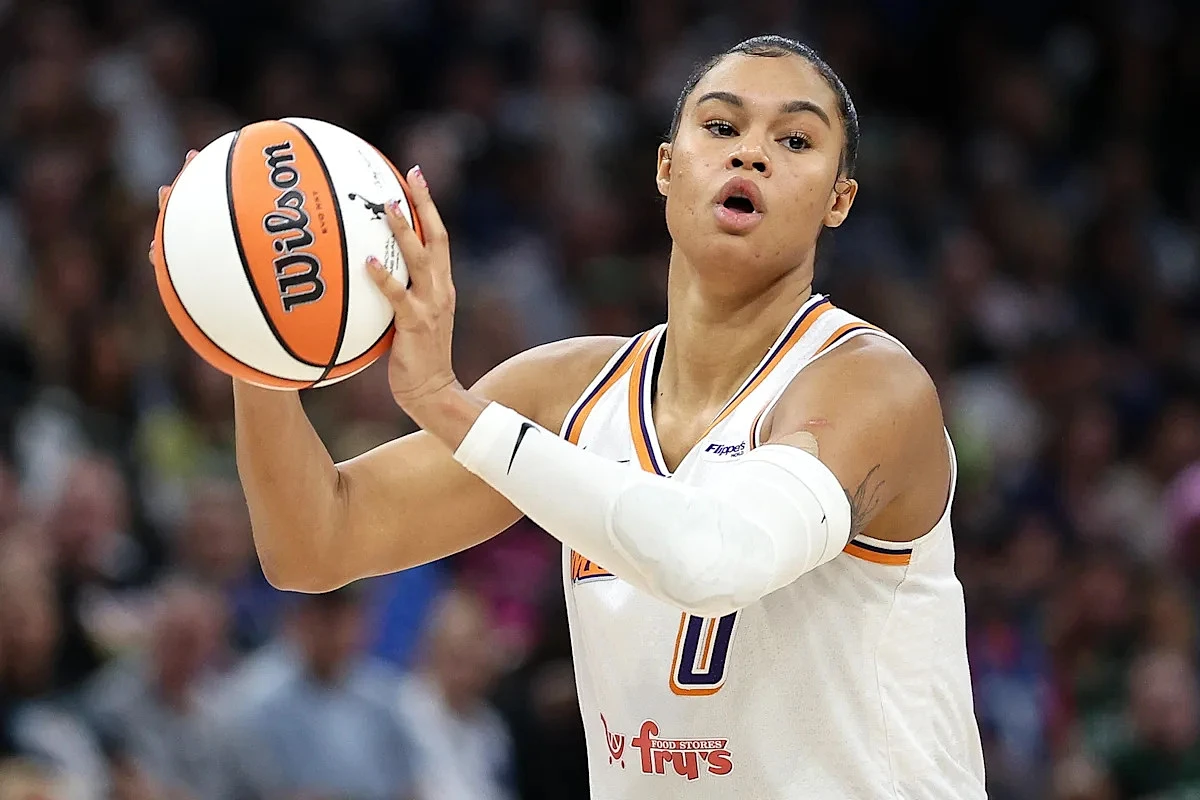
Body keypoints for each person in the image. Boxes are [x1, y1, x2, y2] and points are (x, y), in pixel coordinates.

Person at [153, 34, 985, 799]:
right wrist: (248, 328)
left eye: (795, 140)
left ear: (839, 200)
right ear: (667, 168)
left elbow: (713, 560)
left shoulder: (870, 386)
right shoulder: (565, 392)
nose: (751, 152)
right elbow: (314, 543)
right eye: (721, 125)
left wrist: (447, 404)